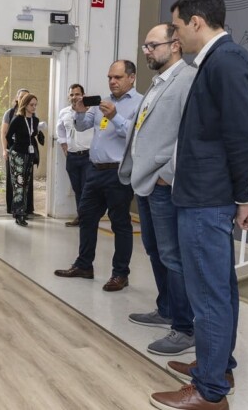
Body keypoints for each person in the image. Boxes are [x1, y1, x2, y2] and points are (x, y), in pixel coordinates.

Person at [150, 0, 248, 409]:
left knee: (209, 294)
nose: (176, 35)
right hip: (207, 196)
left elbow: (246, 136)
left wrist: (245, 198)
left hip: (208, 199)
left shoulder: (224, 62)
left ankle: (209, 392)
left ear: (197, 23)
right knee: (218, 288)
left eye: (179, 27)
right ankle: (216, 366)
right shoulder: (221, 61)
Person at [119, 23, 196, 357]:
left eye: (152, 45)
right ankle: (165, 308)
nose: (146, 51)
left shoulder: (188, 80)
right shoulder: (158, 82)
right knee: (153, 249)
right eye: (145, 46)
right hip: (145, 182)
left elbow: (189, 134)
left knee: (172, 255)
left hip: (163, 183)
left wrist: (168, 173)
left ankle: (184, 327)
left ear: (175, 44)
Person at [54, 60, 142, 292]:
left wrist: (114, 117)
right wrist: (80, 112)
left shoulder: (140, 103)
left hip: (118, 172)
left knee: (120, 224)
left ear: (131, 78)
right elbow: (83, 127)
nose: (112, 81)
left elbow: (136, 134)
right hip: (95, 170)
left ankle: (120, 274)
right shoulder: (104, 102)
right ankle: (84, 265)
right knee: (87, 218)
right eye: (110, 77)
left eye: (118, 77)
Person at [56, 83, 92, 227]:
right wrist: (64, 147)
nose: (74, 97)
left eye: (77, 94)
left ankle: (86, 218)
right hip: (72, 157)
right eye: (71, 94)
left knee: (86, 188)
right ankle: (80, 216)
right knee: (77, 188)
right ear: (68, 96)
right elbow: (60, 131)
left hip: (88, 156)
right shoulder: (64, 112)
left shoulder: (91, 111)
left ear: (82, 95)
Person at [6, 93, 41, 226]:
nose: (34, 107)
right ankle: (19, 213)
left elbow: (33, 135)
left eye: (35, 105)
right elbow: (8, 136)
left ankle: (21, 210)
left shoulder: (35, 120)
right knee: (18, 184)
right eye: (31, 105)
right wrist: (12, 149)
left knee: (25, 184)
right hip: (18, 155)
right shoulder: (17, 119)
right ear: (25, 105)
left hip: (29, 154)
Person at [1, 89, 32, 216]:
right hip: (14, 151)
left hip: (28, 152)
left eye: (27, 97)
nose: (24, 99)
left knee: (26, 182)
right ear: (17, 98)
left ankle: (26, 209)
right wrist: (5, 149)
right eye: (22, 96)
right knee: (15, 181)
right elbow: (4, 133)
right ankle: (14, 209)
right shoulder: (10, 113)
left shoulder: (31, 113)